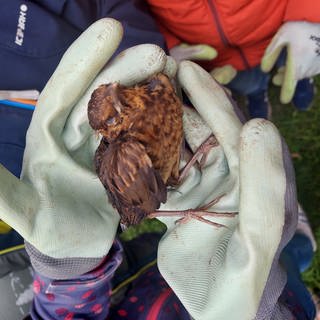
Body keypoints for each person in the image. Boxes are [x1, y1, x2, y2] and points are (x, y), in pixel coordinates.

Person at [0, 17, 317, 319]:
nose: (117, 96)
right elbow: (140, 205)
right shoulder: (126, 150)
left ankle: (297, 249)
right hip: (162, 255)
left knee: (265, 251)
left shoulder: (144, 98)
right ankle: (298, 252)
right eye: (114, 114)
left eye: (115, 98)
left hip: (124, 271)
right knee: (264, 261)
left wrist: (68, 271)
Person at [145, 0, 320, 119]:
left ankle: (302, 78)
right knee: (248, 84)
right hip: (219, 58)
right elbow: (133, 8)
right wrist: (167, 44)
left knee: (295, 62)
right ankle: (257, 94)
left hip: (282, 27)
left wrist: (310, 16)